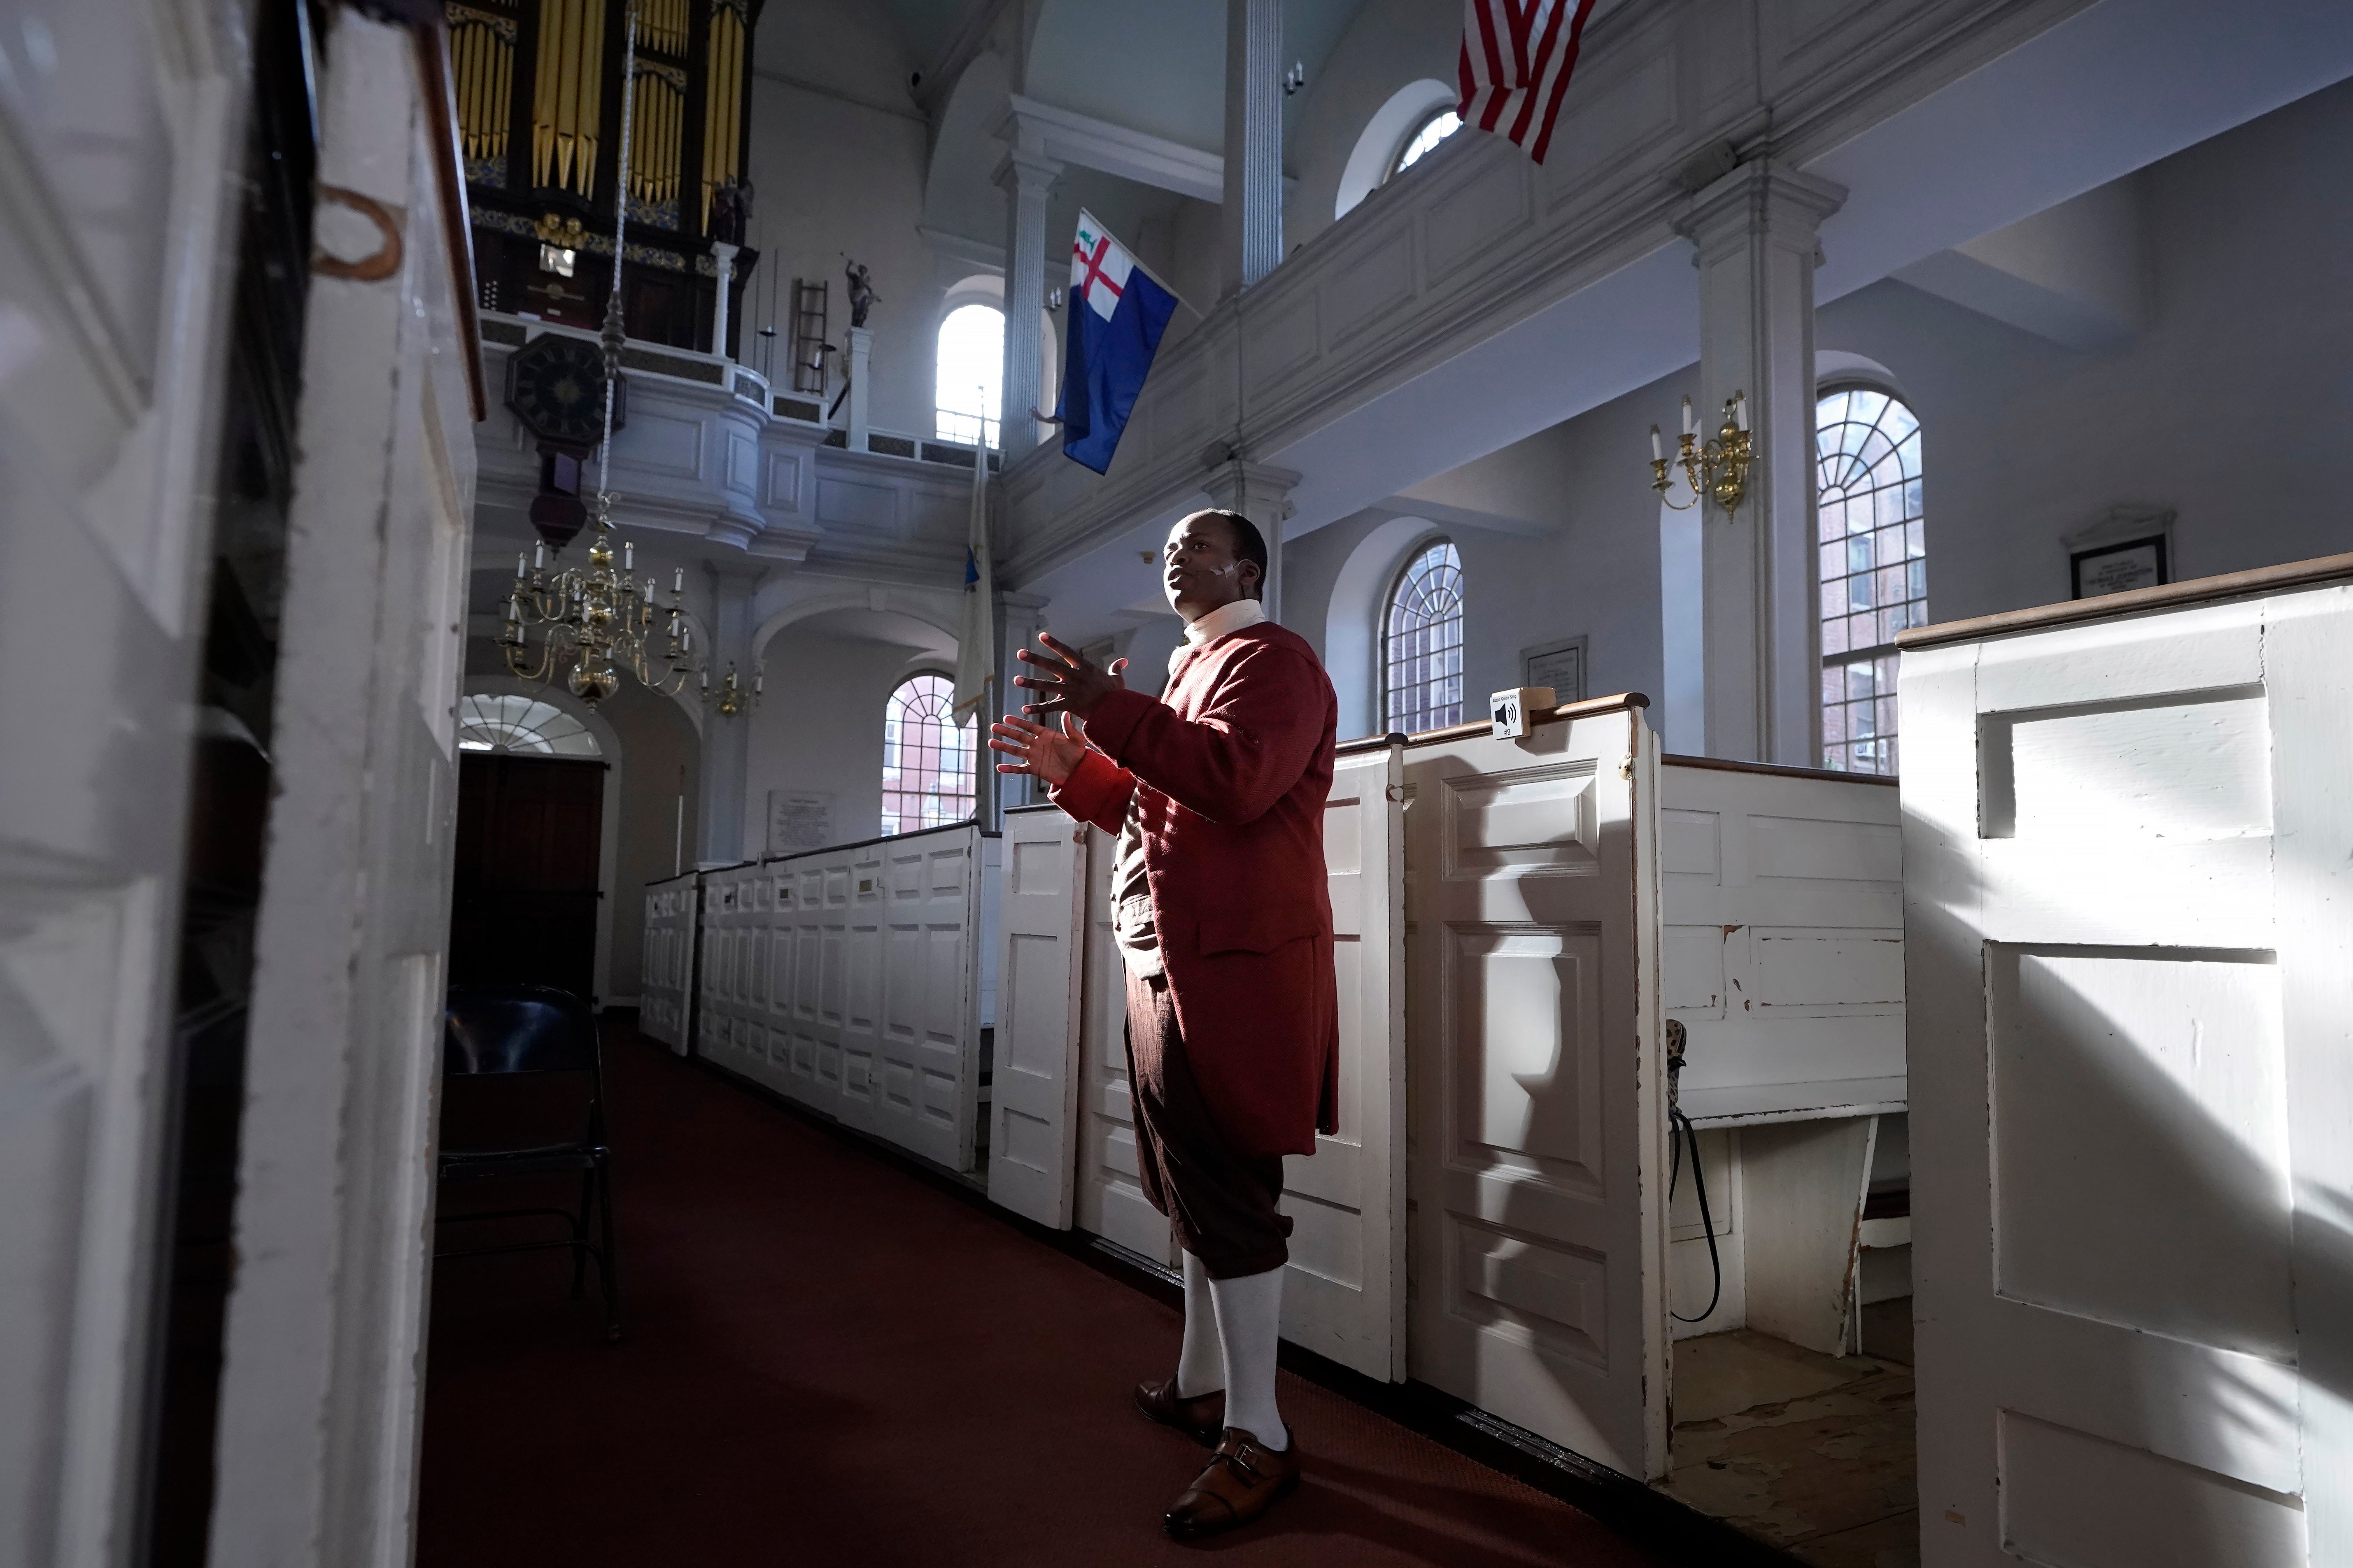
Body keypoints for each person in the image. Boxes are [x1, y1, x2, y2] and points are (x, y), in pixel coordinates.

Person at [989, 509, 1338, 1541]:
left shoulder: (1273, 659)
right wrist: (1079, 775)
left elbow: (1235, 785)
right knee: (1181, 1178)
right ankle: (1198, 1383)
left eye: (1200, 543)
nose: (1174, 555)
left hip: (1237, 967)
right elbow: (1158, 807)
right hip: (1168, 955)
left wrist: (1116, 709)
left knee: (1230, 1188)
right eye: (1168, 547)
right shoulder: (1194, 669)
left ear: (1250, 567)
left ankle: (1260, 1432)